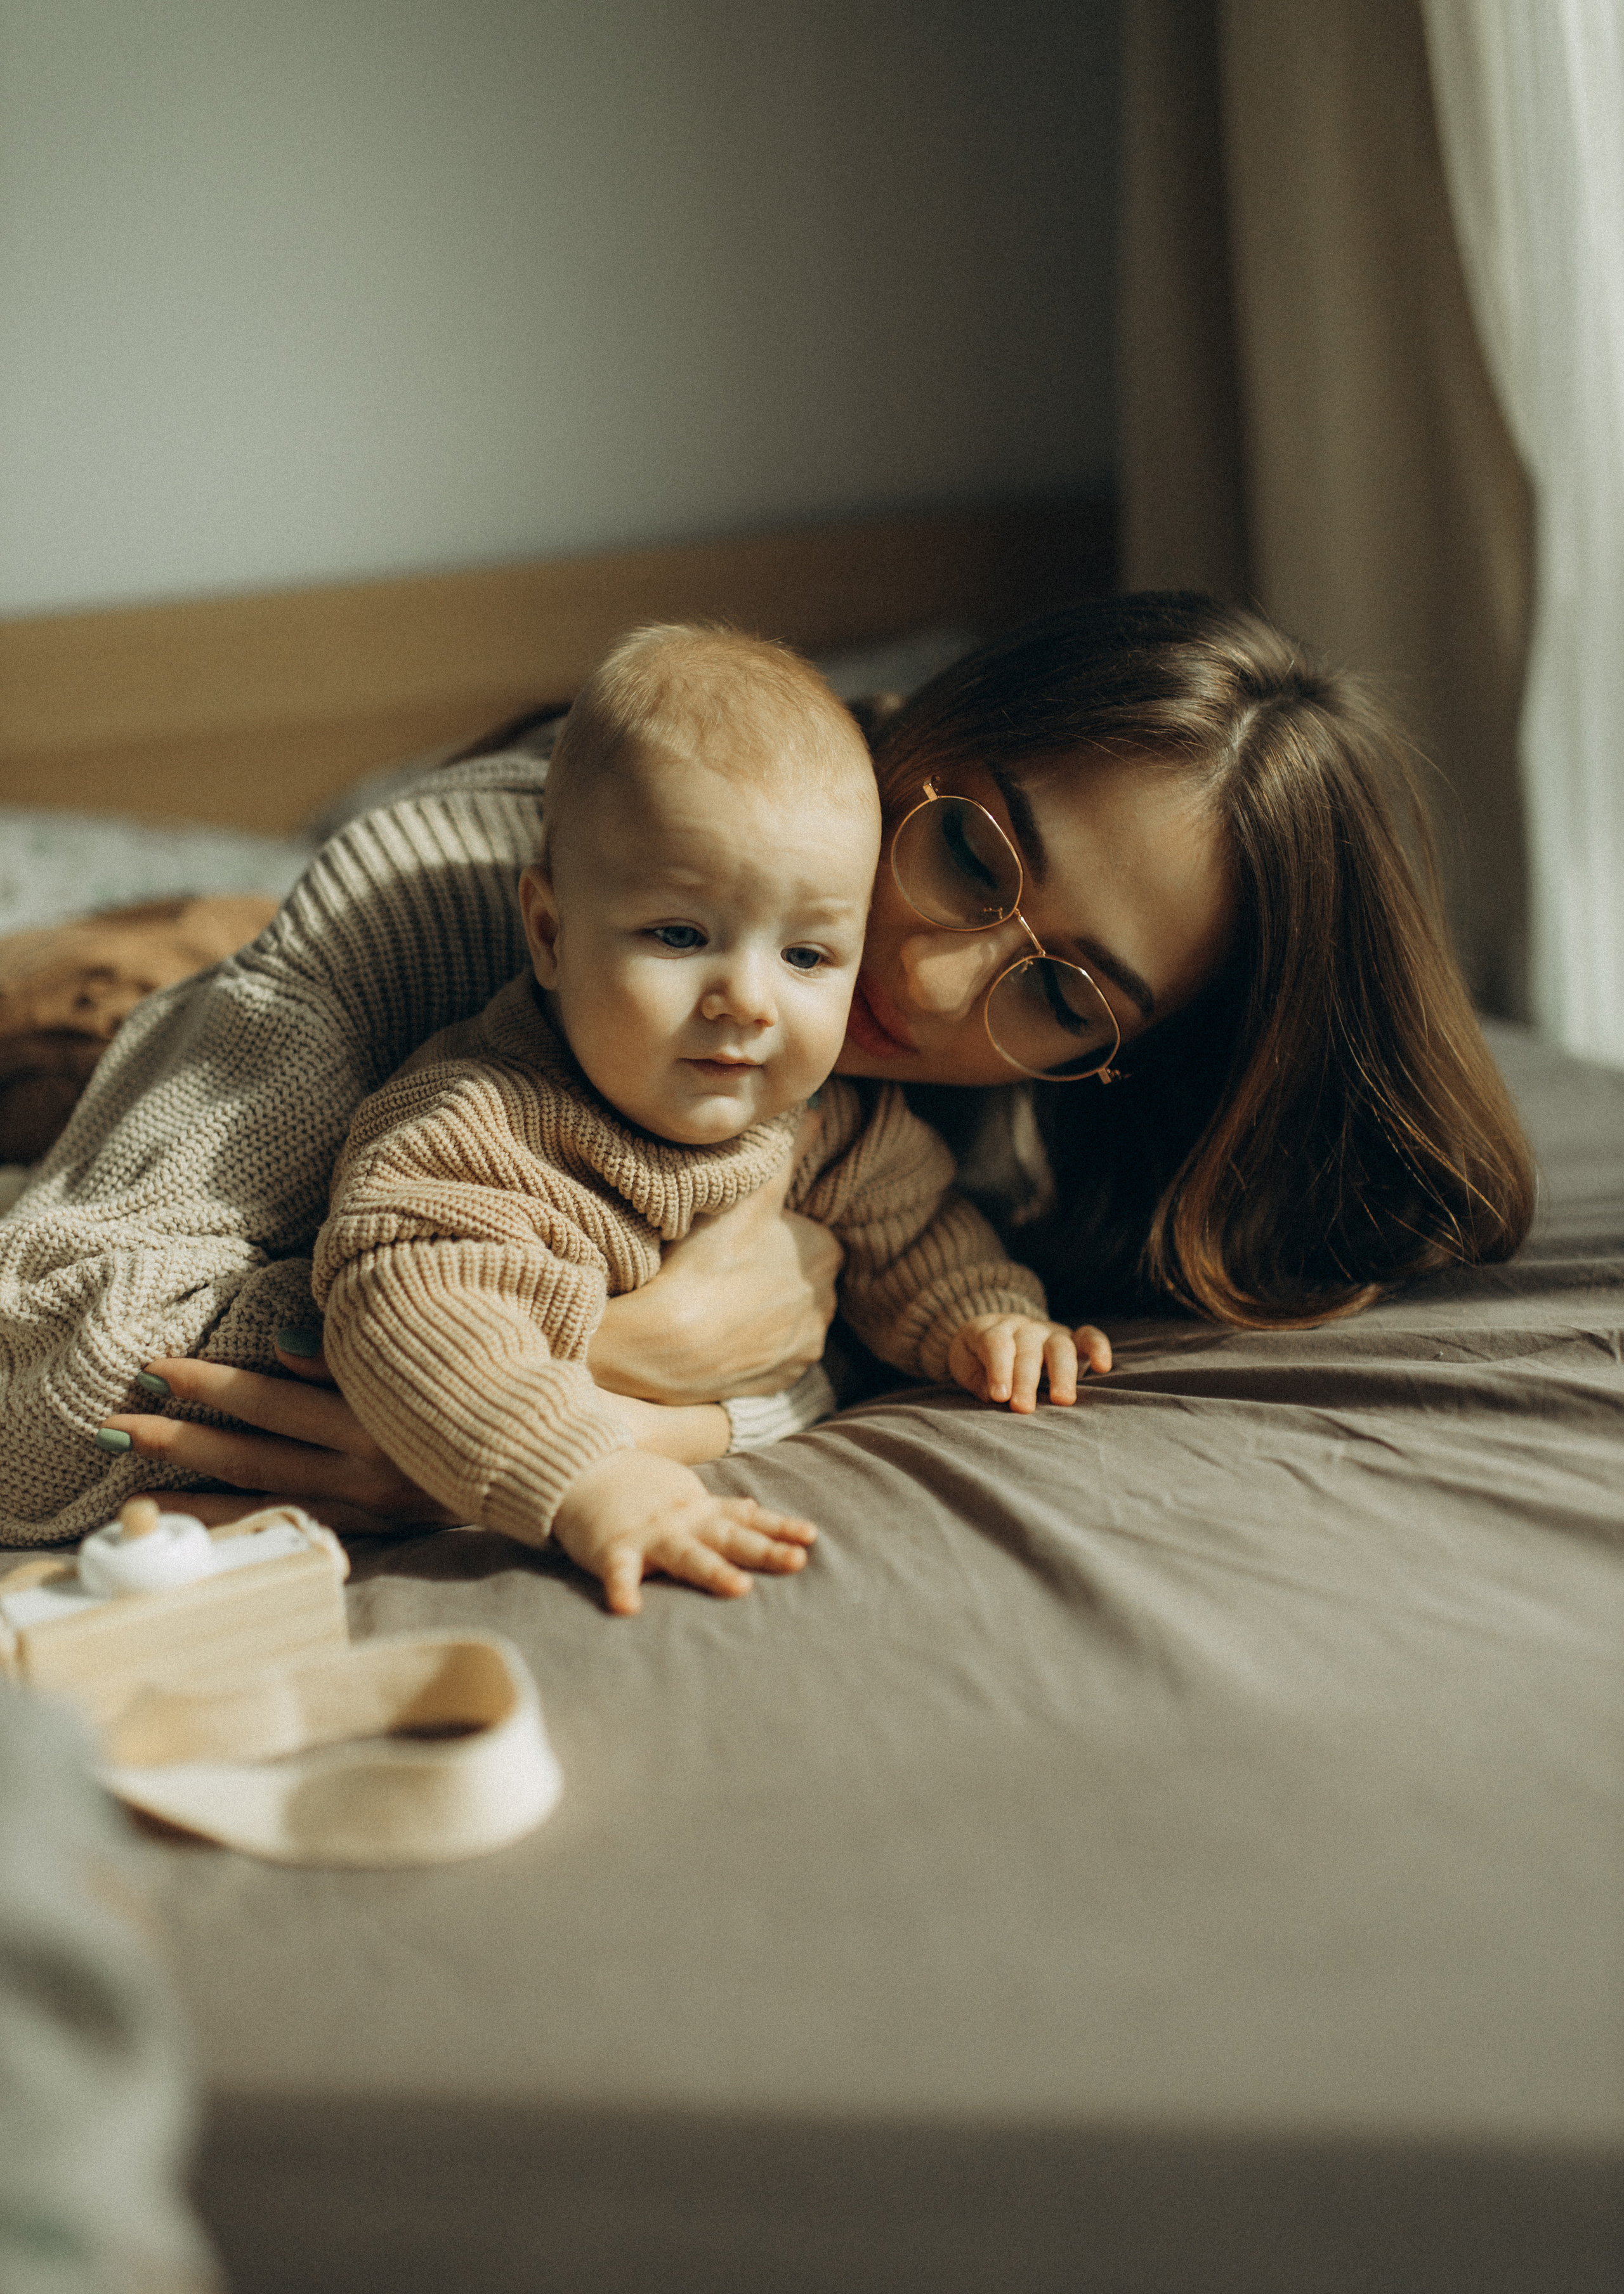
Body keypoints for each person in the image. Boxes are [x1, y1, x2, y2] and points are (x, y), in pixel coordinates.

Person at [0, 593, 1532, 1545]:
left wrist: (695, 1416)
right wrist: (570, 1381)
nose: (918, 978)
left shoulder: (988, 1119)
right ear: (926, 722)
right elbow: (32, 1392)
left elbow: (896, 1287)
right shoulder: (444, 883)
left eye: (1060, 991)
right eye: (964, 849)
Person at [309, 626, 1082, 1612]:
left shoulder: (828, 1122)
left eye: (807, 956)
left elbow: (917, 1233)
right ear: (549, 933)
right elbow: (419, 1312)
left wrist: (983, 1317)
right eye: (681, 935)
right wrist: (592, 1478)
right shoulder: (475, 1126)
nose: (749, 1002)